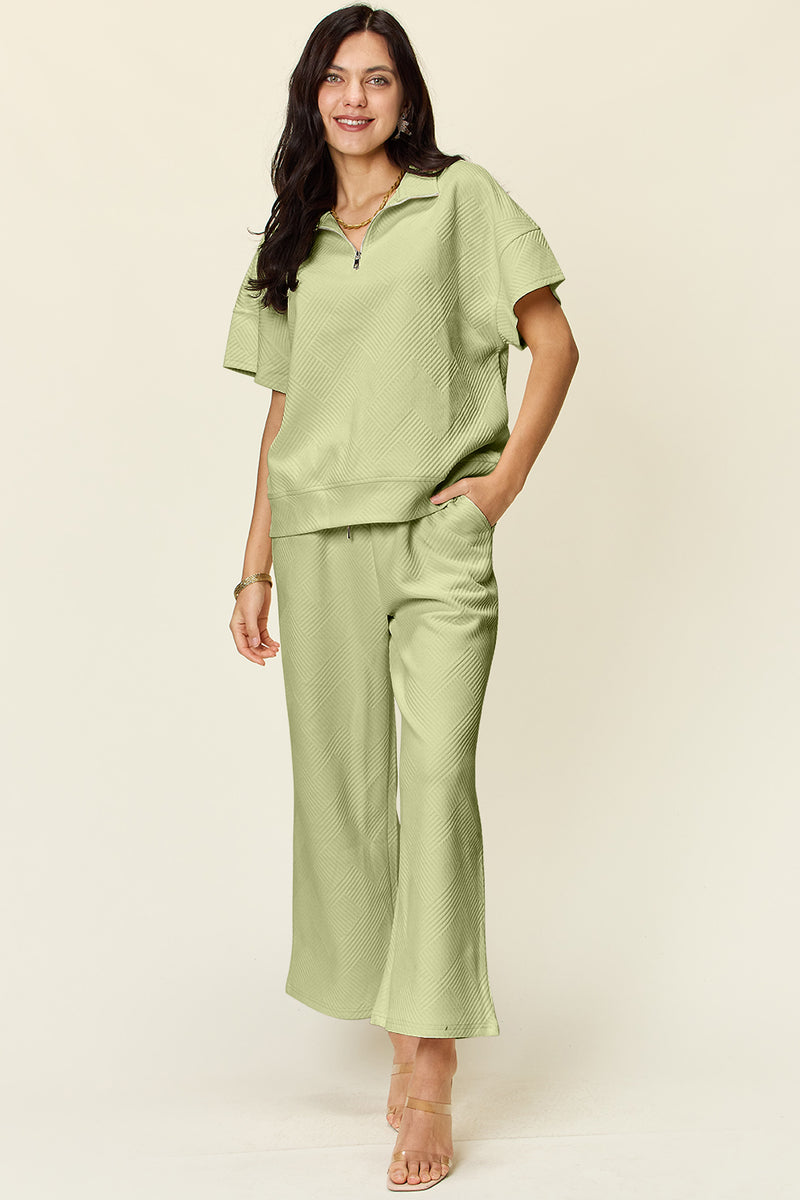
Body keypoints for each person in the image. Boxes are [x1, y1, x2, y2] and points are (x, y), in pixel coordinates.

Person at [222, 5, 579, 1191]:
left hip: (436, 536)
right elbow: (284, 410)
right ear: (310, 95)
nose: (354, 97)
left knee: (431, 787)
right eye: (335, 77)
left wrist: (498, 488)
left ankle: (428, 1070)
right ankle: (398, 1033)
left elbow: (552, 343)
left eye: (376, 79)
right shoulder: (291, 235)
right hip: (315, 539)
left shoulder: (459, 199)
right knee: (343, 800)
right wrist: (254, 564)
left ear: (406, 98)